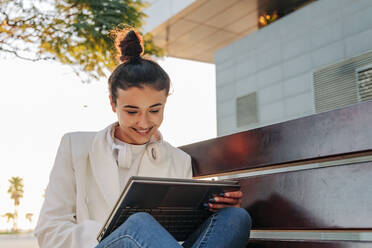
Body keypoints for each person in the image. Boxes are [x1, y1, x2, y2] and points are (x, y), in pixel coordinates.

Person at [34, 28, 251, 248]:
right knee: (140, 225)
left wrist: (214, 209)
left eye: (155, 110)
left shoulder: (178, 160)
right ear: (113, 104)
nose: (144, 122)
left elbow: (179, 238)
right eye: (132, 111)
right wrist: (122, 232)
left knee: (235, 218)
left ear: (165, 103)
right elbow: (50, 231)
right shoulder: (75, 146)